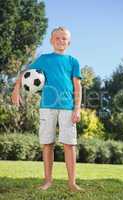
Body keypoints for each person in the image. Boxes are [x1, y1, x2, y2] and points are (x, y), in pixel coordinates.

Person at [11, 27, 84, 192]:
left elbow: (77, 87)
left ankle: (72, 183)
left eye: (64, 38)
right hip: (47, 108)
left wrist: (77, 109)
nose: (60, 41)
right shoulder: (44, 59)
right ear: (51, 41)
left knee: (69, 144)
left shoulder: (73, 61)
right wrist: (16, 89)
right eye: (57, 38)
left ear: (69, 42)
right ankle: (47, 181)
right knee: (47, 144)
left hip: (67, 108)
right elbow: (24, 73)